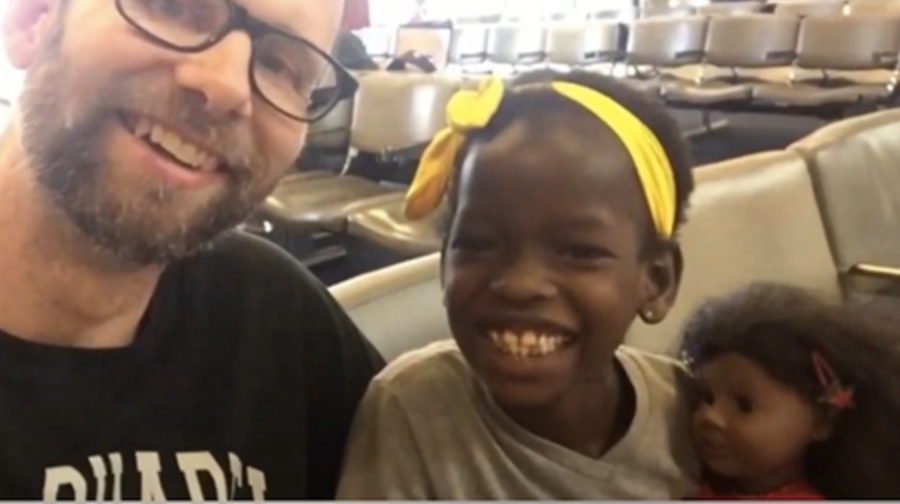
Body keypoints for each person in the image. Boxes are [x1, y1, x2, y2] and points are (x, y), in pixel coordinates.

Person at [0, 0, 384, 499]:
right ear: (34, 14)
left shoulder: (275, 315)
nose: (228, 85)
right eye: (172, 4)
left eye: (282, 66)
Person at [337, 69, 700, 499]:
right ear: (443, 265)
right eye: (480, 244)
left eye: (579, 252)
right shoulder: (414, 412)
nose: (521, 285)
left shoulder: (701, 419)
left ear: (655, 280)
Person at [681, 282, 900, 499]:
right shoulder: (691, 479)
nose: (710, 416)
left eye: (744, 405)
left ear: (822, 423)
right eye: (706, 397)